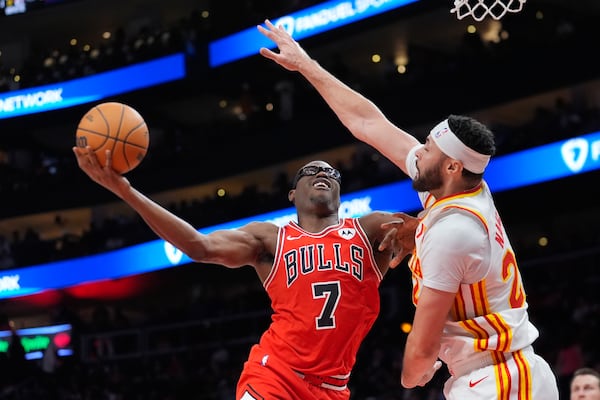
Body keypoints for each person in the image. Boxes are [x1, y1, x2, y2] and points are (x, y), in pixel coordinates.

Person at [257, 19, 560, 399]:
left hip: (499, 381)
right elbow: (368, 122)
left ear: (451, 167)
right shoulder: (456, 191)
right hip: (504, 373)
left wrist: (414, 375)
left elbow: (420, 349)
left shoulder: (452, 231)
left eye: (430, 148)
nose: (419, 152)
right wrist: (305, 64)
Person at [72, 147, 417, 400]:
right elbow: (198, 245)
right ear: (293, 194)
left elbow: (441, 235)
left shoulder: (370, 228)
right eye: (311, 171)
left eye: (331, 174)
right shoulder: (270, 238)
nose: (323, 173)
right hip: (275, 374)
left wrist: (417, 233)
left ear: (340, 194)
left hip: (332, 388)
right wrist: (125, 191)